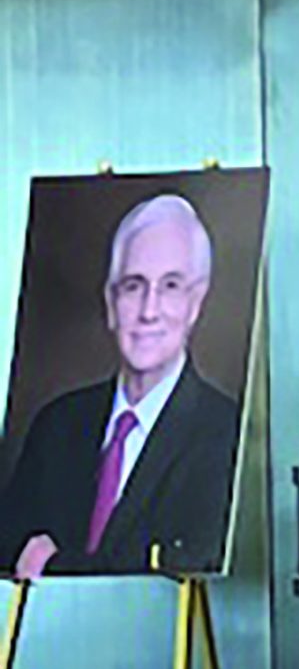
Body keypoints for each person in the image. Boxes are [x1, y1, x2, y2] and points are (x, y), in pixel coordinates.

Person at [2, 194, 239, 576]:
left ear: (195, 304)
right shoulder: (57, 424)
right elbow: (6, 545)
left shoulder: (226, 433)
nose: (149, 310)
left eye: (171, 286)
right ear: (111, 302)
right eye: (133, 286)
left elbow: (192, 561)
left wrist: (54, 564)